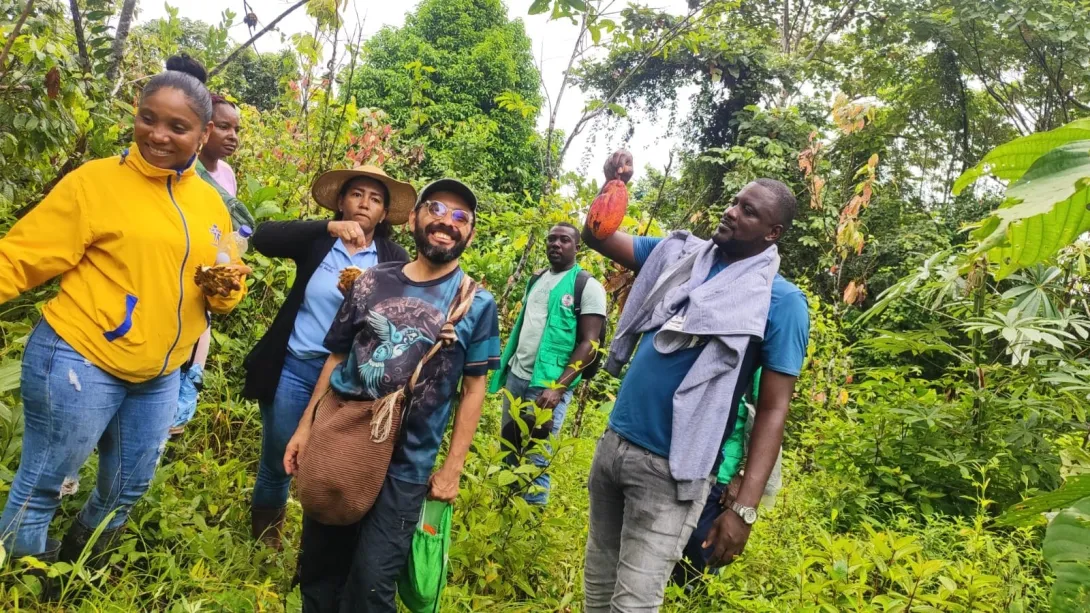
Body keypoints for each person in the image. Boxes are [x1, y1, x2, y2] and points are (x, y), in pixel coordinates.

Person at [0, 55, 248, 567]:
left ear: (202, 136)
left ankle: (75, 569)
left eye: (177, 126)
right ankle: (24, 583)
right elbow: (20, 257)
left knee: (127, 488)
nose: (157, 134)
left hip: (159, 372)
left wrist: (226, 290)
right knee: (45, 482)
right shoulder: (95, 184)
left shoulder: (211, 203)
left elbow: (220, 283)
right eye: (147, 118)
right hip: (79, 357)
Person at [581, 151, 810, 612]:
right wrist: (613, 186)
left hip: (674, 471)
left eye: (749, 211)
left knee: (635, 603)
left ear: (773, 233)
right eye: (734, 202)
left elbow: (773, 410)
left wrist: (743, 510)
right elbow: (597, 236)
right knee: (597, 588)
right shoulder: (680, 255)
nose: (731, 211)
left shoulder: (782, 302)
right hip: (614, 447)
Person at [283, 178, 501, 612]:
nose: (447, 222)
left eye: (461, 218)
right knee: (321, 570)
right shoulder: (371, 282)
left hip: (408, 464)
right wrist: (305, 428)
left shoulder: (476, 303)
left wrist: (453, 468)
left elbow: (474, 388)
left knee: (372, 586)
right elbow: (336, 358)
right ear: (415, 218)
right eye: (436, 209)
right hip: (341, 439)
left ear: (470, 233)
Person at [240, 165, 413, 549]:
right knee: (279, 456)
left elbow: (405, 313)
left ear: (384, 213)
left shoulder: (392, 258)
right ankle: (266, 542)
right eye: (356, 194)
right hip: (295, 366)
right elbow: (262, 238)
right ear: (340, 201)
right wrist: (326, 228)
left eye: (375, 199)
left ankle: (316, 548)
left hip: (348, 380)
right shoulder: (320, 243)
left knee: (334, 463)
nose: (364, 204)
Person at [488, 222, 606, 505]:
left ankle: (527, 532)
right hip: (518, 376)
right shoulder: (537, 279)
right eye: (551, 239)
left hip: (548, 386)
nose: (556, 244)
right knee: (509, 447)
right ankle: (503, 514)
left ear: (577, 247)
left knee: (535, 460)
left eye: (564, 240)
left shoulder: (587, 286)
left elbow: (590, 343)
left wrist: (558, 388)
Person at [170, 93, 257, 444]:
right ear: (203, 129)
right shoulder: (182, 170)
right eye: (223, 126)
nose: (233, 135)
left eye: (237, 128)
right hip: (176, 270)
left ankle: (174, 420)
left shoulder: (227, 174)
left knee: (195, 347)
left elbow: (229, 230)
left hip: (210, 275)